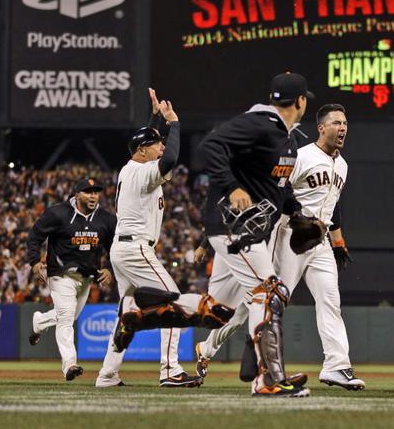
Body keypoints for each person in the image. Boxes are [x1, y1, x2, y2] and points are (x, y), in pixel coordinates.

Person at [195, 104, 365, 390]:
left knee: (330, 301)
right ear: (321, 128)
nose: (343, 127)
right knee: (268, 301)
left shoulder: (343, 165)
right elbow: (278, 190)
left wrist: (338, 241)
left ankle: (337, 366)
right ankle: (210, 347)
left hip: (319, 241)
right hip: (290, 235)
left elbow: (333, 209)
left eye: (345, 122)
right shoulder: (302, 156)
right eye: (336, 122)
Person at [96, 89, 233, 388]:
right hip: (135, 248)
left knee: (127, 311)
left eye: (159, 141)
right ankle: (169, 369)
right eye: (154, 144)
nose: (160, 146)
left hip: (126, 248)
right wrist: (175, 124)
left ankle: (107, 373)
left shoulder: (132, 167)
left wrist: (156, 117)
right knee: (174, 302)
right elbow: (169, 157)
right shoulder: (143, 170)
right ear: (143, 150)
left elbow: (147, 144)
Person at [195, 72, 315, 397]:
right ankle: (268, 380)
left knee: (224, 306)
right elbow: (211, 145)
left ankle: (142, 312)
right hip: (235, 226)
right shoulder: (259, 123)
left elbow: (277, 185)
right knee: (269, 294)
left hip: (251, 229)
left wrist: (296, 211)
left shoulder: (285, 136)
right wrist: (232, 186)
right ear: (301, 101)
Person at [26, 177, 116, 381]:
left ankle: (40, 321)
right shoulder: (58, 213)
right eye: (88, 191)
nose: (93, 195)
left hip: (86, 278)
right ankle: (70, 364)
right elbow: (34, 236)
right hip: (60, 274)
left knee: (68, 316)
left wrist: (110, 268)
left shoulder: (106, 218)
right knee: (66, 318)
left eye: (96, 191)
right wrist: (34, 262)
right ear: (77, 194)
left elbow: (115, 247)